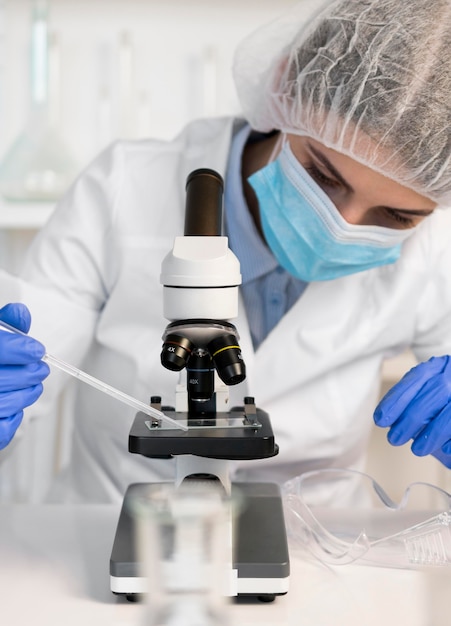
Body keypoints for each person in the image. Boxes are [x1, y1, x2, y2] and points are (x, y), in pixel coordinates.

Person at [1, 0, 451, 505]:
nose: (342, 227)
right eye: (323, 177)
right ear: (285, 89)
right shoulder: (124, 186)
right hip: (106, 530)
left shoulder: (434, 252)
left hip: (323, 555)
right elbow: (27, 367)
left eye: (395, 217)